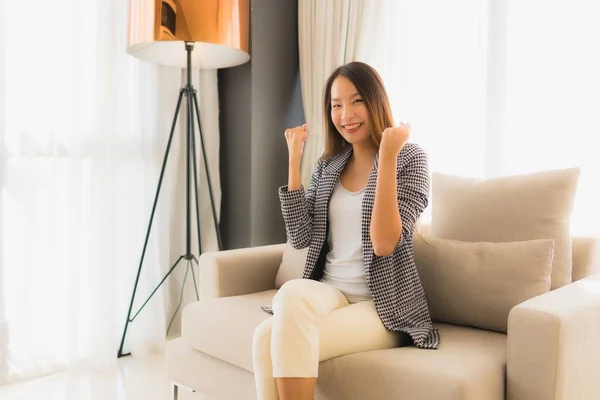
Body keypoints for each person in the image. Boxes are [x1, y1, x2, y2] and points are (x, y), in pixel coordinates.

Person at [252, 61, 439, 400]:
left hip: (382, 306)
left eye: (356, 101)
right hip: (332, 293)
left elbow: (384, 243)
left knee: (268, 338)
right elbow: (301, 237)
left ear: (375, 101)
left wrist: (387, 156)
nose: (346, 114)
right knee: (284, 305)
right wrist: (294, 163)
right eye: (336, 105)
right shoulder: (329, 165)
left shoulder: (411, 158)